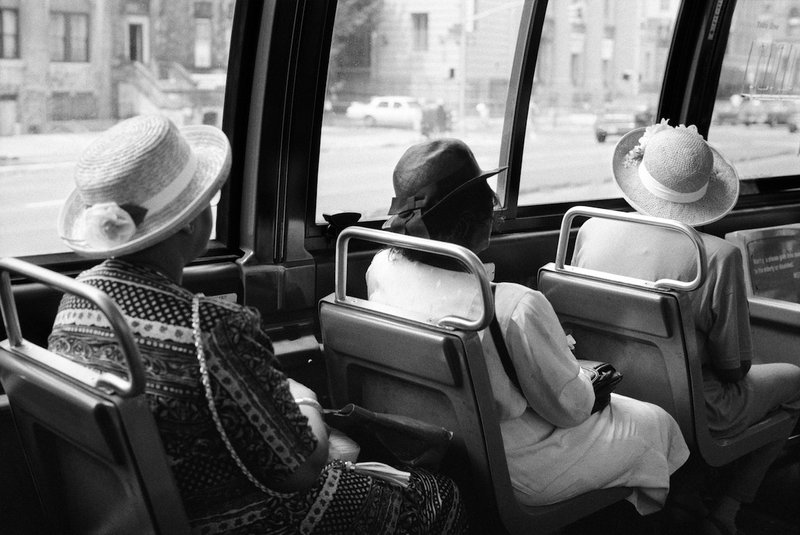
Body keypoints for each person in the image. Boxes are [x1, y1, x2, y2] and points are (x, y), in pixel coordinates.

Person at [48, 115, 468, 535]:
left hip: (152, 511)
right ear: (191, 223)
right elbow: (301, 467)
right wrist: (302, 399)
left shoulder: (76, 300)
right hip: (250, 518)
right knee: (439, 496)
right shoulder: (212, 328)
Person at [366, 138, 690, 517]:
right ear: (472, 220)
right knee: (656, 421)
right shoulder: (511, 306)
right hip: (516, 465)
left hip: (432, 442)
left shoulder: (381, 269)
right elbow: (570, 410)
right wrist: (581, 377)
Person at [571, 120, 800, 535]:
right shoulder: (717, 256)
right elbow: (734, 370)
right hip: (693, 408)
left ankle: (686, 492)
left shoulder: (588, 228)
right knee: (795, 381)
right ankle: (726, 511)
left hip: (609, 391)